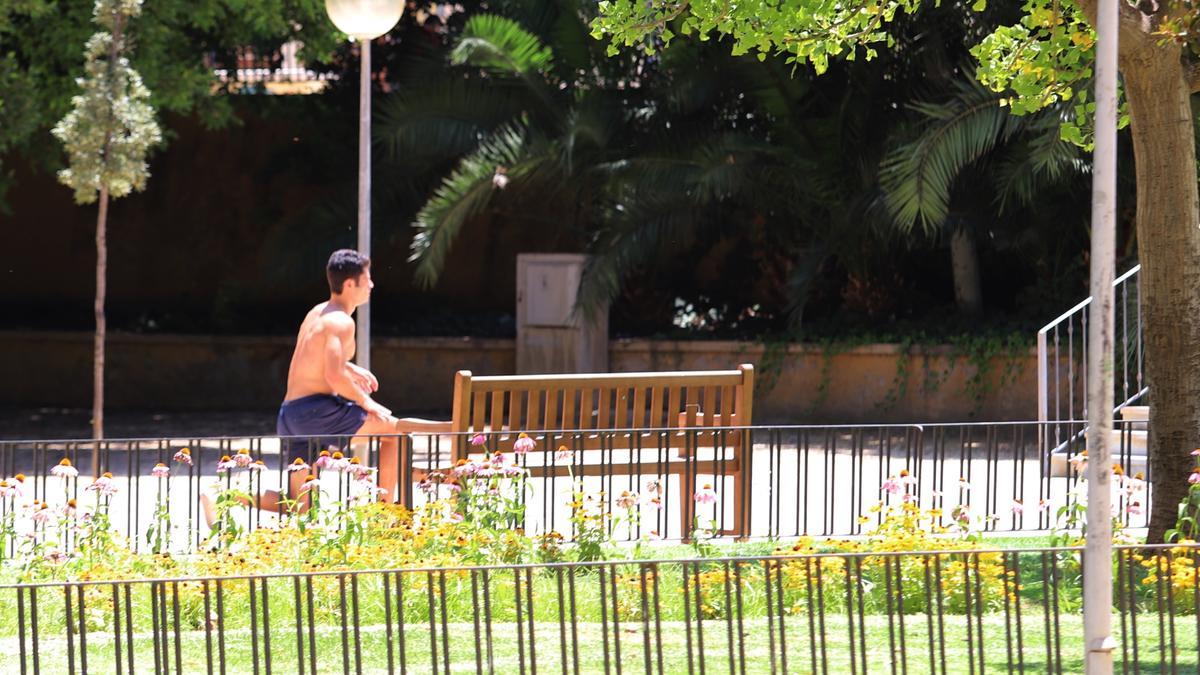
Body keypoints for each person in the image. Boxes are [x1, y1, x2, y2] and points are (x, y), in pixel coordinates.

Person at [264, 248, 448, 512]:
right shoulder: (341, 322)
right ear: (350, 284)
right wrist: (367, 403)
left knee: (300, 507)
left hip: (291, 415)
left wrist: (349, 368)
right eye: (367, 278)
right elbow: (332, 375)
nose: (372, 284)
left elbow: (312, 359)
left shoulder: (318, 312)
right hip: (317, 411)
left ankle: (227, 499)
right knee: (396, 433)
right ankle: (386, 514)